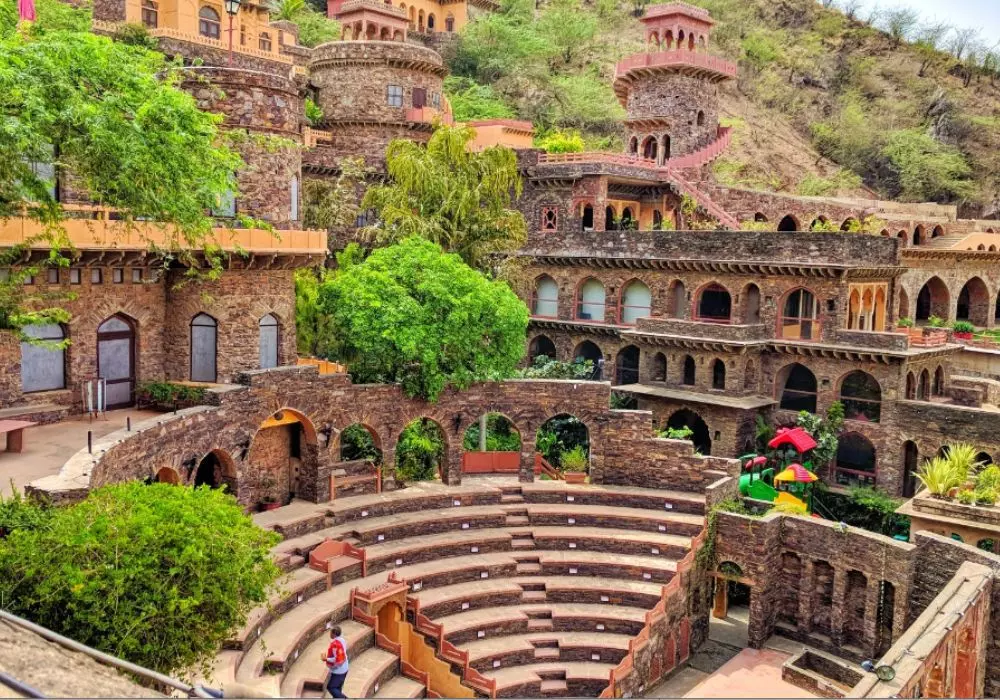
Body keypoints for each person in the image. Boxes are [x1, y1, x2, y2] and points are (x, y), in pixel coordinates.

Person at [321, 625, 349, 698]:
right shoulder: (342, 640)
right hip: (345, 668)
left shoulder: (334, 644)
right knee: (338, 688)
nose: (330, 634)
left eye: (330, 633)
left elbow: (336, 659)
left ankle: (344, 698)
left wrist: (326, 659)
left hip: (339, 671)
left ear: (334, 634)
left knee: (331, 687)